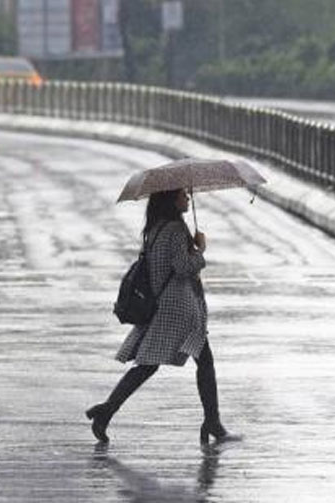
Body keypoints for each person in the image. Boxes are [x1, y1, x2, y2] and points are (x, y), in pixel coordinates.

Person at [87, 188, 233, 445]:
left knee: (148, 364)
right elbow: (183, 267)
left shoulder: (154, 229)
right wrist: (200, 250)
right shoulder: (176, 230)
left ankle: (107, 411)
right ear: (171, 199)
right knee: (203, 360)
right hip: (178, 308)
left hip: (162, 306)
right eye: (183, 195)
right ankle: (213, 422)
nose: (187, 198)